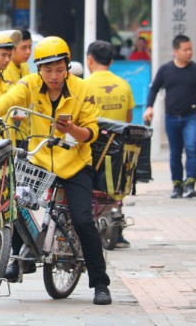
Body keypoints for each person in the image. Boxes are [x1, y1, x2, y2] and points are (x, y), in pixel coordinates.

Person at [0, 36, 113, 306]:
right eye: (48, 70)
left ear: (68, 65)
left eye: (60, 69)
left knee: (83, 220)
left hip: (75, 163)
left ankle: (100, 282)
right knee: (15, 205)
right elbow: (9, 99)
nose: (54, 76)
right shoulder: (29, 83)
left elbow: (92, 132)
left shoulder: (82, 88)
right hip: (39, 160)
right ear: (38, 69)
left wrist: (71, 129)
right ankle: (18, 261)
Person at [143, 34, 196, 199]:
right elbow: (154, 89)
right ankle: (177, 184)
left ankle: (190, 183)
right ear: (175, 51)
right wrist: (149, 107)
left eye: (190, 49)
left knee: (190, 149)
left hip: (192, 117)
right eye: (185, 50)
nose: (189, 53)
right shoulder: (166, 70)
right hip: (172, 118)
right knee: (174, 153)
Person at [85, 40, 135, 248]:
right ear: (111, 61)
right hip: (118, 153)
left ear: (89, 60)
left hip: (92, 151)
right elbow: (128, 118)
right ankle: (118, 228)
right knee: (117, 185)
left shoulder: (84, 86)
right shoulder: (123, 85)